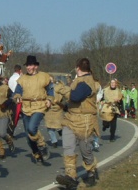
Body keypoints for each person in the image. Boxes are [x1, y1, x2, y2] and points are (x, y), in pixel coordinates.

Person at [55, 58, 99, 189]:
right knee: (68, 147)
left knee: (86, 151)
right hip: (70, 119)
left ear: (77, 68)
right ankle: (71, 177)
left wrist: (62, 89)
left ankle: (91, 172)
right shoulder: (78, 80)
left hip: (85, 122)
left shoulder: (87, 82)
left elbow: (75, 96)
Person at [13, 55, 54, 164]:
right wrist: (17, 97)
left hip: (39, 106)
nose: (28, 67)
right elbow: (17, 92)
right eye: (27, 65)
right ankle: (36, 152)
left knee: (32, 128)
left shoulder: (44, 77)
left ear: (35, 66)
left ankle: (42, 145)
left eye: (30, 65)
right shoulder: (22, 79)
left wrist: (49, 99)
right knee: (28, 136)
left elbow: (50, 90)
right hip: (26, 107)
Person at [44, 76, 64, 149]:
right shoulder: (45, 88)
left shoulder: (58, 87)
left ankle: (57, 135)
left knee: (55, 125)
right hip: (49, 109)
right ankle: (54, 141)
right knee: (50, 126)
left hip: (55, 108)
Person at [7, 64, 22, 138]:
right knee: (16, 116)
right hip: (17, 98)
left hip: (10, 97)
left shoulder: (10, 78)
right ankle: (10, 132)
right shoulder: (19, 78)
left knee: (12, 115)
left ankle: (10, 130)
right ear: (20, 70)